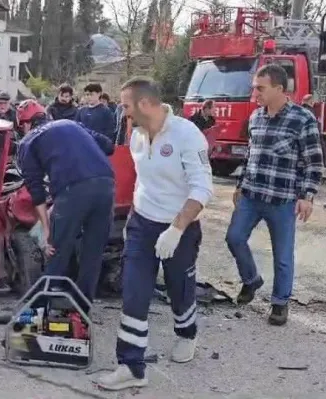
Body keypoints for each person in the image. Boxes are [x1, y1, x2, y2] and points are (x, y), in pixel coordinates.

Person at [96, 77, 213, 391]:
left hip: (180, 229)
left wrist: (175, 229)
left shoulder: (188, 136)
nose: (123, 112)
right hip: (142, 225)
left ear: (145, 104)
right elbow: (142, 181)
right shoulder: (136, 135)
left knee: (179, 288)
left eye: (126, 105)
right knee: (134, 293)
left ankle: (187, 333)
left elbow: (203, 188)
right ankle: (131, 366)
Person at [225, 65, 323, 326]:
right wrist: (240, 184)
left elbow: (313, 162)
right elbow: (250, 155)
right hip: (251, 195)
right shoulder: (256, 117)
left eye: (260, 88)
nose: (255, 92)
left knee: (282, 255)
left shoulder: (303, 119)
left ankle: (280, 303)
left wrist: (307, 195)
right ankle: (251, 280)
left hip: (282, 200)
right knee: (234, 238)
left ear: (279, 89)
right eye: (254, 87)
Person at [16, 99, 115, 301]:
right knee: (93, 252)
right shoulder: (72, 124)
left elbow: (37, 192)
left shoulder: (28, 141)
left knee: (58, 250)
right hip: (107, 185)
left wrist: (45, 231)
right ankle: (82, 308)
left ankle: (38, 307)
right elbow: (108, 146)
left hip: (73, 190)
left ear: (25, 124)